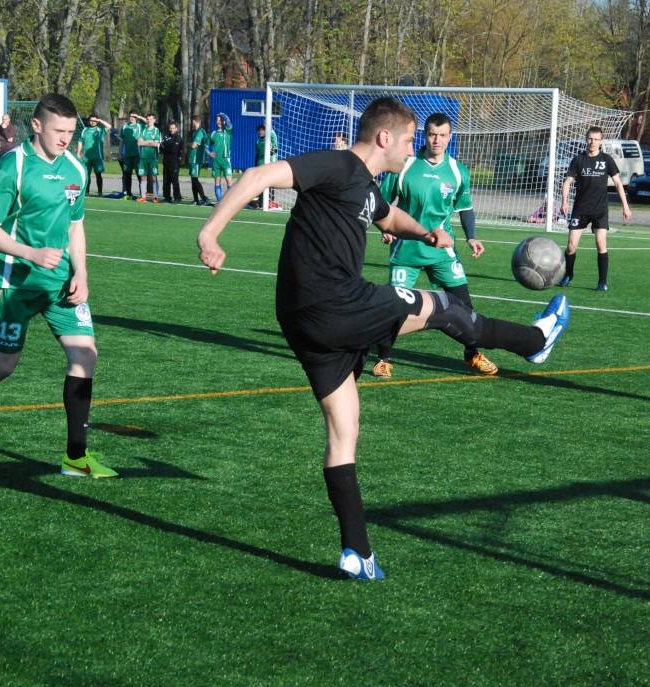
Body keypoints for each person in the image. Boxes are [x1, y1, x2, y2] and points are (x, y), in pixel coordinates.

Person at [197, 97, 570, 580]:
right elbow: (255, 178)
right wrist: (210, 233)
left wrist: (429, 233)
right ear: (383, 138)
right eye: (411, 139)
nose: (413, 149)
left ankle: (358, 552)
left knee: (344, 428)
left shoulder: (366, 188)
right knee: (447, 307)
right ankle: (533, 341)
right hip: (335, 302)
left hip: (302, 320)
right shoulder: (336, 165)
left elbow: (389, 217)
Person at [0, 93, 115, 478]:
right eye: (58, 131)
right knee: (2, 365)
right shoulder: (12, 166)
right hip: (13, 282)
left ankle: (76, 457)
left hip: (60, 282)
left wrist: (81, 271)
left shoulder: (76, 169)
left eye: (70, 131)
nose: (65, 138)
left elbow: (76, 225)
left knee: (86, 356)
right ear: (36, 125)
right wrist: (30, 253)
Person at [372, 111, 497, 378]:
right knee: (394, 307)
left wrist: (471, 236)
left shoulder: (458, 171)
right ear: (424, 135)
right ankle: (384, 358)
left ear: (450, 137)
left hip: (442, 251)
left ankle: (472, 354)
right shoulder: (405, 165)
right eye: (431, 134)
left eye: (442, 135)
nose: (436, 140)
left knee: (464, 306)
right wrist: (386, 229)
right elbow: (381, 204)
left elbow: (466, 209)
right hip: (407, 250)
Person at [558, 126, 632, 290]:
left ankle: (602, 281)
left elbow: (619, 183)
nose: (593, 142)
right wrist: (564, 201)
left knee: (600, 244)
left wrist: (625, 206)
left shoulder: (607, 160)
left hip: (600, 210)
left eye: (596, 139)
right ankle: (568, 275)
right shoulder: (578, 160)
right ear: (586, 139)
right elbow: (568, 182)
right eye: (590, 138)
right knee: (571, 246)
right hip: (580, 209)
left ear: (601, 141)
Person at [77, 113, 111, 196]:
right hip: (86, 157)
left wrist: (99, 120)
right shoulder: (85, 130)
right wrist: (78, 153)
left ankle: (100, 192)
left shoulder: (100, 130)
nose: (93, 122)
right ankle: (86, 192)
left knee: (98, 174)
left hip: (98, 157)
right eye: (91, 120)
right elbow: (80, 141)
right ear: (89, 121)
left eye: (94, 120)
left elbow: (109, 126)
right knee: (86, 175)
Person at [119, 112, 146, 199]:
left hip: (138, 155)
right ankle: (128, 194)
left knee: (139, 174)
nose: (132, 118)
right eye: (130, 116)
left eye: (134, 117)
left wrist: (138, 116)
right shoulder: (124, 127)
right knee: (127, 174)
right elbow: (122, 141)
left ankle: (142, 194)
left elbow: (148, 122)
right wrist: (120, 153)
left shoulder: (140, 126)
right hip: (127, 155)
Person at [209, 113, 233, 202]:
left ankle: (230, 201)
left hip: (226, 160)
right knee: (217, 182)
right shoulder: (213, 133)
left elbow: (228, 121)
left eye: (220, 120)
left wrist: (222, 114)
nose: (218, 122)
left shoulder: (228, 130)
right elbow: (206, 146)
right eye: (217, 120)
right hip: (216, 161)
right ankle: (220, 201)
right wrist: (209, 153)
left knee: (229, 182)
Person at [187, 115, 210, 206]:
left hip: (196, 159)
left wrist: (188, 144)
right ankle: (196, 200)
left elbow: (194, 145)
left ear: (198, 122)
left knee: (195, 179)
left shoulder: (200, 132)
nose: (192, 124)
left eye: (193, 122)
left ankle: (204, 198)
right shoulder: (195, 132)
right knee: (193, 179)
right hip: (192, 158)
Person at [161, 120, 184, 203]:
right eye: (170, 128)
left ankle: (177, 197)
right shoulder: (166, 137)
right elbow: (161, 147)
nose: (171, 129)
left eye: (173, 128)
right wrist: (165, 146)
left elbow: (173, 149)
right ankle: (167, 197)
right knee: (166, 180)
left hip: (174, 162)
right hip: (166, 161)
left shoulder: (178, 138)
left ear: (176, 129)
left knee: (174, 180)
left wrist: (166, 146)